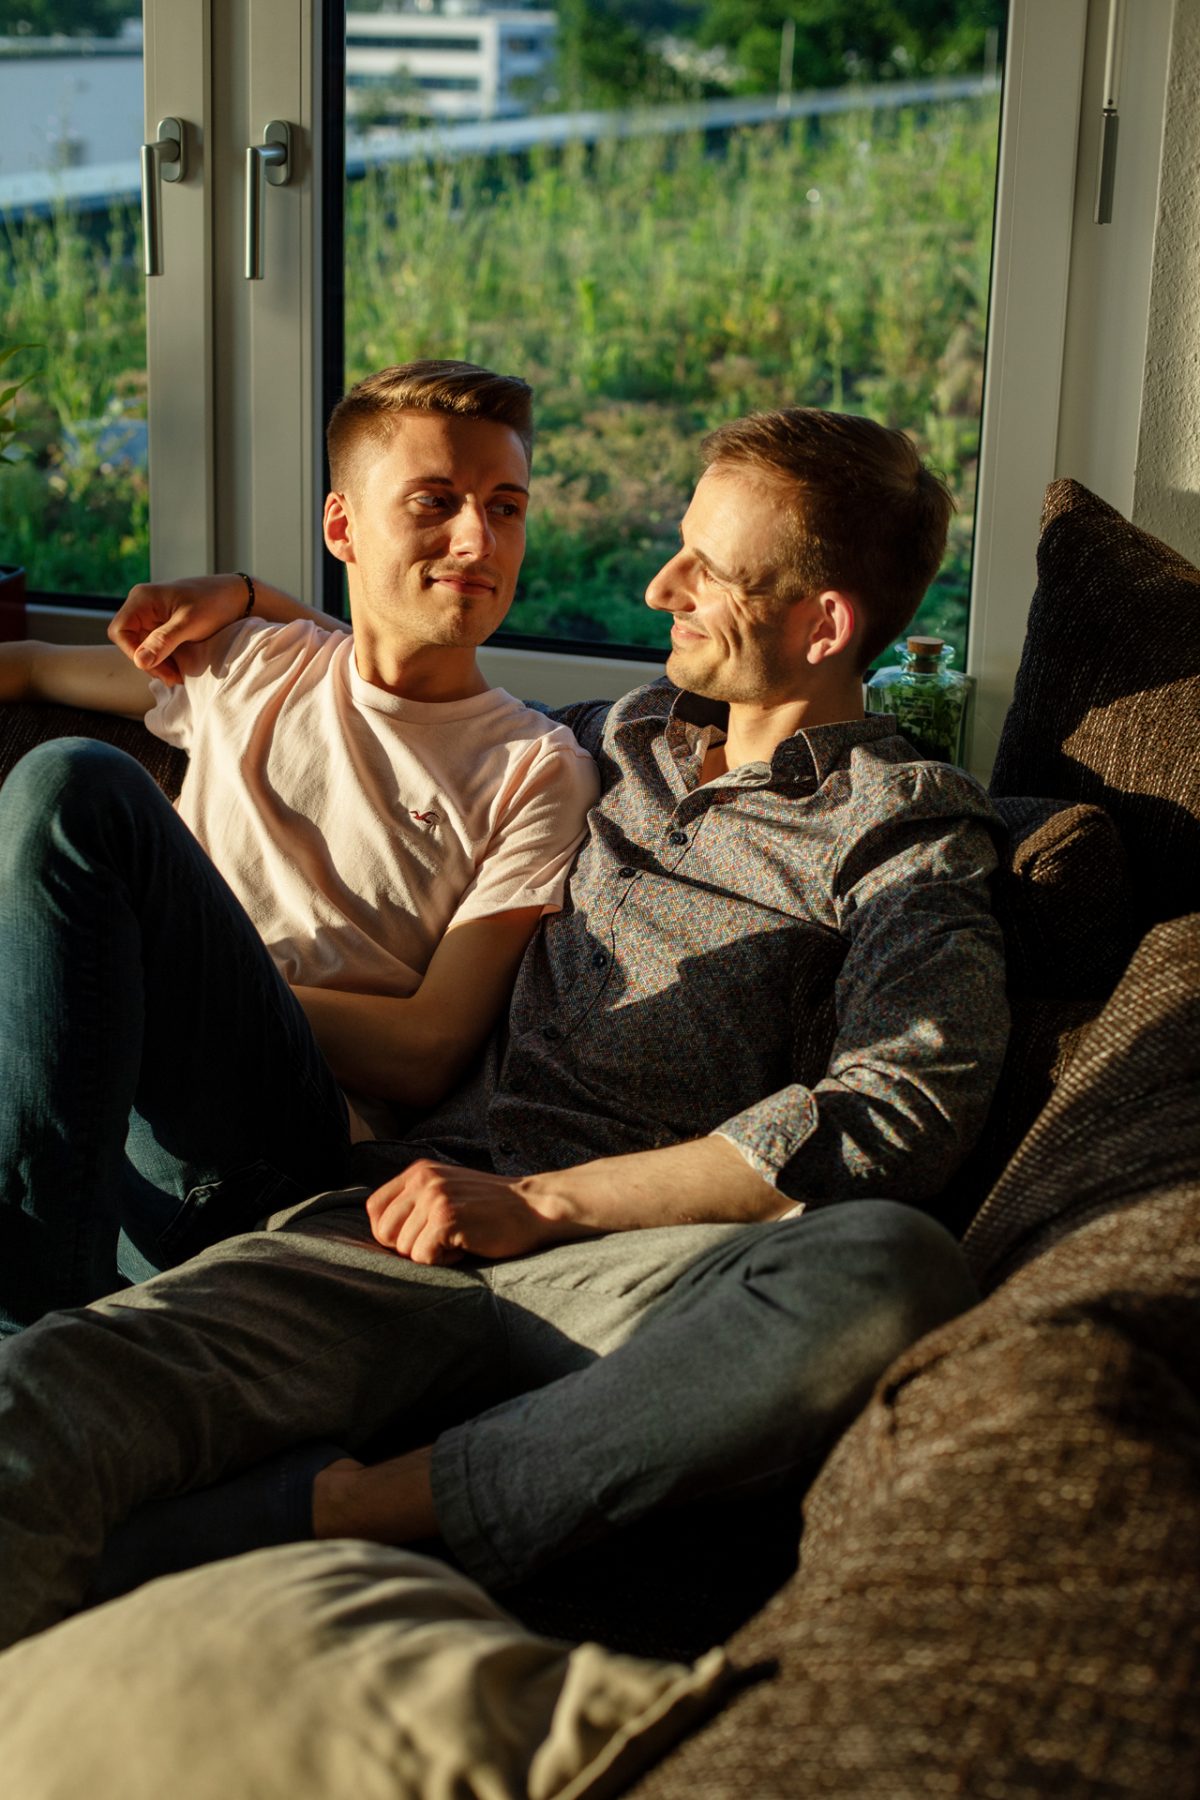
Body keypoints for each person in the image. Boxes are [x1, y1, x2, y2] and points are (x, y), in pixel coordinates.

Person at [0, 405, 1008, 1654]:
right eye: (675, 547)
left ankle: (360, 1511)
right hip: (387, 1225)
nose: (658, 586)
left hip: (628, 1275)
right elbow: (412, 691)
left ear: (826, 626)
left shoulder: (905, 832)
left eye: (704, 568)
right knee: (36, 1397)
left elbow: (904, 1106)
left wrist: (549, 1206)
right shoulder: (626, 736)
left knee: (890, 1272)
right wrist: (258, 600)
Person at [0, 359, 598, 1334]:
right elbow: (25, 668)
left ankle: (29, 1330)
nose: (477, 539)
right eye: (436, 502)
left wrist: (166, 969)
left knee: (78, 783)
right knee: (48, 788)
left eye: (507, 506)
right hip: (116, 1089)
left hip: (280, 1137)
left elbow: (425, 1050)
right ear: (341, 528)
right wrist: (247, 597)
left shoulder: (537, 767)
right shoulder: (255, 661)